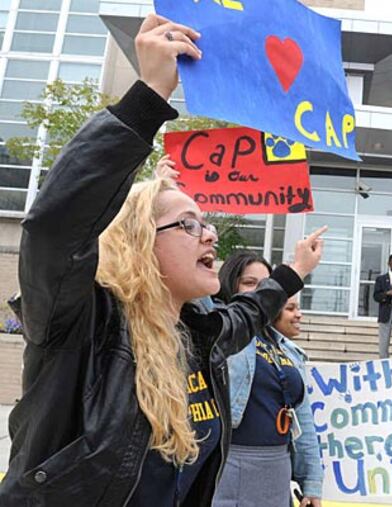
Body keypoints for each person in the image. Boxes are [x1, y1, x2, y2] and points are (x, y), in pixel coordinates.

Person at [0, 16, 325, 506]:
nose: (210, 233)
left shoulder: (200, 334)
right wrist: (150, 94)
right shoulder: (83, 325)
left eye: (206, 223)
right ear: (138, 244)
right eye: (188, 224)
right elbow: (57, 225)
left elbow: (251, 312)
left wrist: (293, 272)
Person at [214, 255, 323, 507]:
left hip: (277, 469)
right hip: (231, 466)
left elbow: (303, 419)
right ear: (231, 285)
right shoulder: (220, 334)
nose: (263, 290)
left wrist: (311, 484)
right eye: (251, 283)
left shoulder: (286, 347)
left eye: (268, 282)